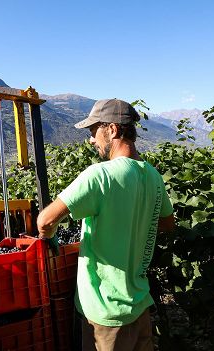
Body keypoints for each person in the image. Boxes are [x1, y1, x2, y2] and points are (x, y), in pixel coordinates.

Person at [37, 99, 175, 351]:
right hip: (140, 304)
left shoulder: (100, 175)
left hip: (106, 313)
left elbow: (45, 221)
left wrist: (50, 236)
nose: (91, 140)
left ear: (111, 129)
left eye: (93, 132)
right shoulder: (153, 176)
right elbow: (167, 223)